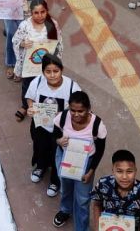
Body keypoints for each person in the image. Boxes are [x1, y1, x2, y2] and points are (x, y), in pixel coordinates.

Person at [26, 54, 81, 198]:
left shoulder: (72, 87)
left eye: (55, 71)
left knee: (58, 154)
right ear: (43, 72)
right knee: (40, 147)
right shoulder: (37, 82)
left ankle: (55, 181)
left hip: (61, 129)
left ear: (61, 70)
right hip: (40, 125)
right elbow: (30, 98)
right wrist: (30, 108)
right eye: (48, 71)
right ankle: (40, 167)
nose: (52, 75)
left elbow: (80, 109)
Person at [52, 91, 107, 230]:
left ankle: (81, 228)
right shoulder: (62, 117)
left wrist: (91, 171)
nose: (76, 115)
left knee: (83, 199)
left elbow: (100, 150)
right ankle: (65, 210)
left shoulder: (98, 126)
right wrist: (58, 141)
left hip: (86, 162)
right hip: (65, 157)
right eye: (73, 110)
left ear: (88, 109)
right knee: (65, 188)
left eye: (81, 111)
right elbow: (55, 133)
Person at [13, 0, 62, 120]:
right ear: (31, 13)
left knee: (45, 84)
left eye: (43, 12)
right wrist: (23, 44)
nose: (40, 16)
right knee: (27, 85)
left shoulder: (53, 24)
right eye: (36, 13)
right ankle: (25, 106)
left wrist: (56, 62)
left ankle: (43, 107)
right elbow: (15, 40)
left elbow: (59, 44)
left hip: (46, 64)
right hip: (29, 64)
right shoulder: (25, 25)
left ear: (47, 11)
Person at [90, 150, 140, 231]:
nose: (124, 177)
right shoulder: (103, 184)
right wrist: (98, 228)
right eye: (119, 171)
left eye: (129, 171)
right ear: (113, 170)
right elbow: (97, 205)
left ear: (135, 170)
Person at [2, 0, 47, 78]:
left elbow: (43, 3)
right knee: (11, 35)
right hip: (11, 12)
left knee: (23, 41)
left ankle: (20, 66)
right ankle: (10, 63)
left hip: (27, 17)